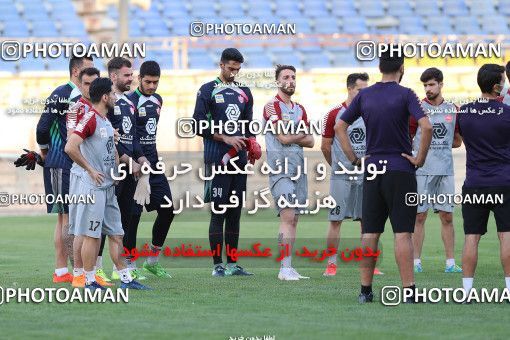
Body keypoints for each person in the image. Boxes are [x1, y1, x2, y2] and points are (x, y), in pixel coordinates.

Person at [337, 48, 432, 303]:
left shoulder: (365, 95)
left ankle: (365, 292)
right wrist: (419, 158)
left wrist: (355, 160)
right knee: (403, 233)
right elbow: (426, 125)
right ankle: (409, 292)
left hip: (373, 169)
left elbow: (339, 126)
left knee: (370, 232)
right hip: (401, 170)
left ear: (379, 68)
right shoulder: (406, 94)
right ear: (402, 68)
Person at [64, 77, 149, 290]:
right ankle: (89, 280)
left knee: (117, 234)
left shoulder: (105, 121)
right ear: (104, 97)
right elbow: (70, 147)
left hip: (108, 187)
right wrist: (90, 169)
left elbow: (108, 151)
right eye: (111, 94)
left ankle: (126, 279)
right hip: (93, 188)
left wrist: (129, 163)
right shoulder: (90, 118)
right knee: (92, 236)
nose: (114, 97)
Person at [193, 48, 260, 277]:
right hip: (217, 161)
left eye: (237, 69)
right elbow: (197, 125)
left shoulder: (245, 92)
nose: (234, 72)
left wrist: (253, 144)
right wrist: (225, 137)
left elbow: (249, 125)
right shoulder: (207, 90)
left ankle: (232, 264)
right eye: (230, 68)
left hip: (239, 162)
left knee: (234, 212)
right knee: (219, 212)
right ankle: (217, 265)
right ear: (221, 65)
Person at [36, 55, 93, 283]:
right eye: (89, 69)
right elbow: (42, 126)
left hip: (64, 165)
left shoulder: (78, 96)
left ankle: (62, 271)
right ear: (77, 71)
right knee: (67, 216)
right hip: (60, 164)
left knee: (64, 217)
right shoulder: (65, 93)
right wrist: (45, 152)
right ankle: (73, 271)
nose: (93, 74)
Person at [322, 72, 383, 276]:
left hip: (367, 175)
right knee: (336, 219)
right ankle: (331, 264)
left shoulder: (372, 113)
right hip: (342, 176)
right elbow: (325, 146)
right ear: (349, 89)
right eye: (360, 90)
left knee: (368, 221)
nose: (364, 93)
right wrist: (337, 166)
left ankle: (369, 265)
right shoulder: (334, 114)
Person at [458, 64, 510, 295]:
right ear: (496, 85)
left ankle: (467, 291)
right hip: (504, 182)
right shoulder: (507, 113)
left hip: (474, 183)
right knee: (506, 236)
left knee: (471, 237)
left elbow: (457, 140)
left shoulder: (465, 112)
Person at [263, 64, 314, 281]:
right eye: (286, 77)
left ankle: (289, 266)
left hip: (298, 168)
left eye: (293, 77)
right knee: (287, 215)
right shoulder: (271, 106)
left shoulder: (300, 109)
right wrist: (299, 134)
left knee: (295, 219)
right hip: (280, 168)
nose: (290, 80)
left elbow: (311, 140)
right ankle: (283, 269)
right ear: (278, 81)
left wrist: (294, 135)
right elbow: (282, 138)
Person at [409, 67, 463, 274]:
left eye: (431, 84)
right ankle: (416, 262)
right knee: (419, 216)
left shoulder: (453, 109)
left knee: (447, 216)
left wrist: (439, 145)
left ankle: (450, 263)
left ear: (441, 84)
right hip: (422, 170)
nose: (428, 89)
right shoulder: (417, 109)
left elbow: (457, 141)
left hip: (445, 170)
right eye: (425, 85)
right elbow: (408, 137)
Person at [127, 60, 175, 278]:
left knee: (168, 209)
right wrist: (137, 159)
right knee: (133, 215)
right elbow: (131, 135)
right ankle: (129, 266)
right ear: (139, 79)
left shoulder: (158, 100)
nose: (153, 86)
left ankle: (152, 261)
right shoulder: (129, 101)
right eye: (148, 82)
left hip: (154, 162)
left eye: (156, 82)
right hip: (135, 164)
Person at [66, 67, 113, 287]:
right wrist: (88, 167)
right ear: (80, 83)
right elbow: (72, 141)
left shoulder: (100, 111)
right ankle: (79, 274)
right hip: (80, 173)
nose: (90, 86)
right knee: (79, 228)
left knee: (93, 229)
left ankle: (91, 273)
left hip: (96, 174)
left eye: (94, 83)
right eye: (86, 83)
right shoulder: (77, 109)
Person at [105, 57, 146, 281]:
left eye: (132, 74)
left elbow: (134, 137)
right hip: (115, 169)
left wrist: (140, 157)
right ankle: (98, 267)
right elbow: (110, 137)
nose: (132, 78)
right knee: (107, 220)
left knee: (126, 218)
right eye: (127, 75)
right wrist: (128, 160)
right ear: (114, 76)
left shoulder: (130, 102)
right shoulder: (108, 101)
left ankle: (120, 266)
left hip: (132, 168)